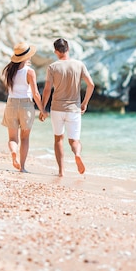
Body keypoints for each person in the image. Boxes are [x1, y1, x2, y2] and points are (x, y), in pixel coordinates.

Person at [39, 38, 94, 176]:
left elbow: (47, 90)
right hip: (74, 109)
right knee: (74, 140)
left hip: (57, 108)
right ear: (68, 49)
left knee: (58, 139)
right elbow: (91, 85)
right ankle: (77, 154)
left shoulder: (53, 67)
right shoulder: (79, 65)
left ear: (56, 51)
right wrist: (85, 103)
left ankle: (61, 171)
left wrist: (42, 108)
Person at [1, 42, 45, 172]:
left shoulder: (9, 70)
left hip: (11, 104)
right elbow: (36, 93)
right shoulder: (30, 72)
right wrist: (42, 110)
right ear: (27, 57)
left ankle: (13, 153)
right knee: (24, 138)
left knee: (12, 138)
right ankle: (23, 167)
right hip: (26, 105)